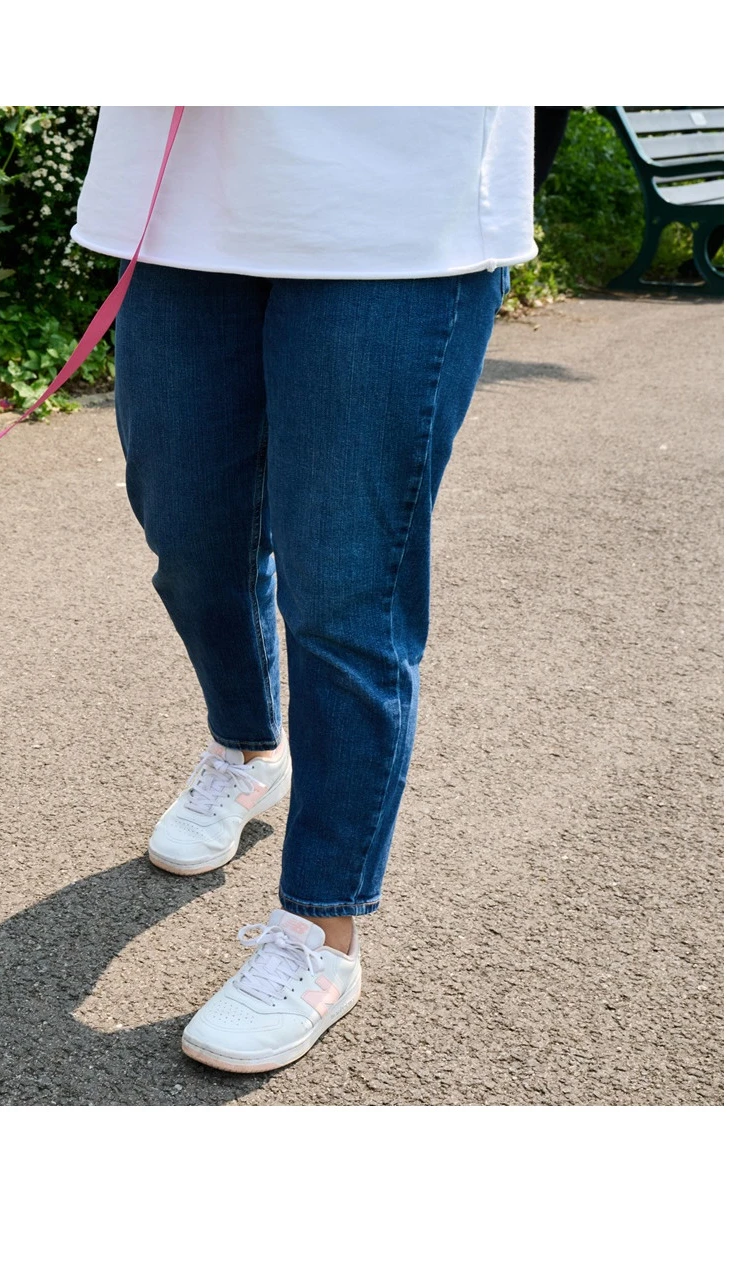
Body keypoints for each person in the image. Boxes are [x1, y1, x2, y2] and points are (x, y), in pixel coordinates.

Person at [72, 106, 536, 1073]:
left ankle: (320, 935)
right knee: (190, 538)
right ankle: (248, 750)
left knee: (344, 593)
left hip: (396, 215)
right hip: (188, 206)